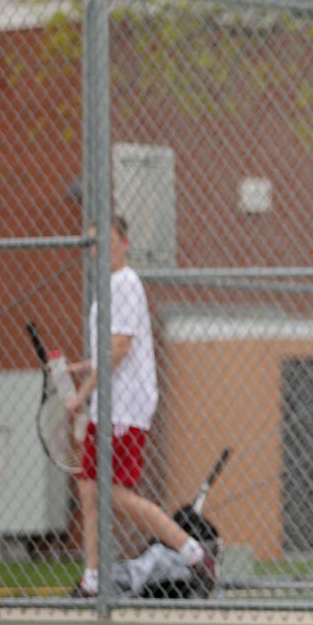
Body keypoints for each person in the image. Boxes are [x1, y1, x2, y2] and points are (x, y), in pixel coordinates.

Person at [64, 215, 215, 598]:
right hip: (106, 404)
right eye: (94, 243)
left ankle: (192, 552)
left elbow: (120, 348)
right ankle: (93, 580)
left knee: (113, 493)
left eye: (109, 241)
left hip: (124, 407)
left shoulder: (126, 283)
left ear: (124, 243)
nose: (100, 249)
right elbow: (107, 350)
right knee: (88, 489)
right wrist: (85, 368)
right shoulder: (108, 286)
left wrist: (81, 394)